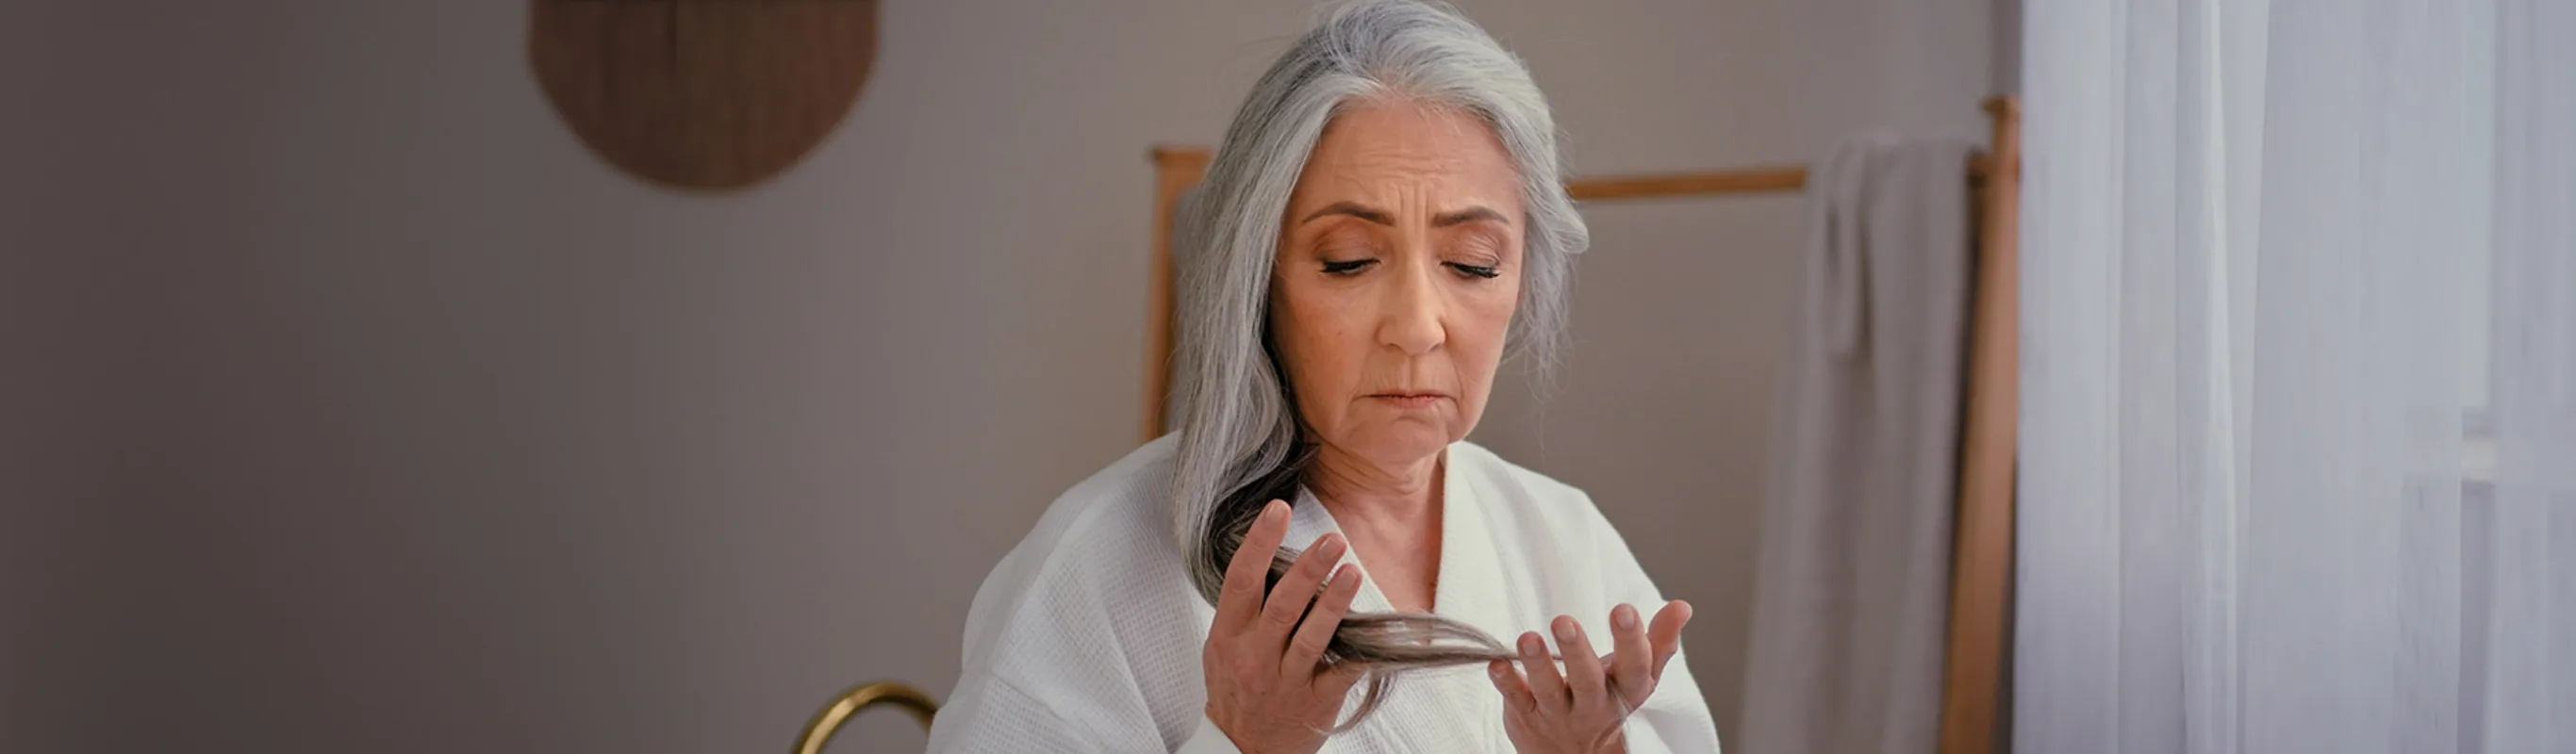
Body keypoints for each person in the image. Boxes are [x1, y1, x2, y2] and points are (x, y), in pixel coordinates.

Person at [927, 2, 1723, 751]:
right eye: (1348, 261)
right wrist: (1243, 742)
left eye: (1472, 264)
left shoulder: (1564, 543)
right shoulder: (1103, 564)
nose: (1417, 325)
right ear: (1260, 277)